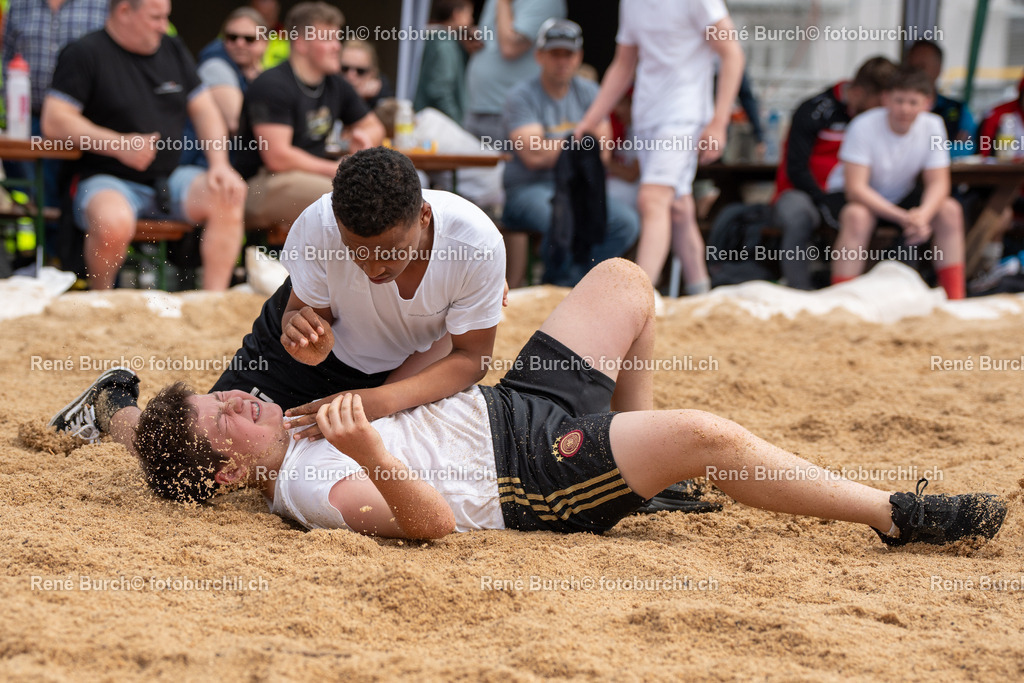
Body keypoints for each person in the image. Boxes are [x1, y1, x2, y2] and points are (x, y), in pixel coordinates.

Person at [55, 259, 1007, 549]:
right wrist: (374, 450)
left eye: (229, 395)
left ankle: (646, 479)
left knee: (626, 282)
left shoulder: (285, 414)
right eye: (227, 415)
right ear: (231, 468)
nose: (242, 399)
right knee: (707, 435)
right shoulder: (308, 485)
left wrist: (458, 328)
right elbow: (430, 526)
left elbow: (422, 361)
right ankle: (893, 512)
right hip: (525, 476)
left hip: (512, 406)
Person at [51, 146, 506, 451]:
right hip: (293, 364)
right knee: (193, 453)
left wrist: (377, 401)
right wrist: (302, 336)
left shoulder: (475, 245)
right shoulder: (321, 224)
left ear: (423, 216)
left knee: (356, 468)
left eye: (388, 253)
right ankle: (109, 404)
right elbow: (304, 320)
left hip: (397, 372)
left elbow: (471, 358)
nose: (371, 269)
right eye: (356, 251)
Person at [40, 0, 247, 290]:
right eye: (155, 18)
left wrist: (220, 164)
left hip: (169, 178)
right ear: (125, 11)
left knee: (229, 192)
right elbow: (54, 120)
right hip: (106, 178)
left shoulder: (172, 48)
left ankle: (214, 300)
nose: (164, 26)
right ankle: (100, 299)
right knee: (113, 220)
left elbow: (204, 109)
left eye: (166, 17)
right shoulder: (84, 53)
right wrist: (117, 145)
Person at [575, 0, 745, 296]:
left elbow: (732, 53)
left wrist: (719, 122)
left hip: (684, 115)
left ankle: (638, 297)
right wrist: (590, 121)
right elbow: (624, 63)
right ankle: (701, 293)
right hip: (647, 117)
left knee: (652, 199)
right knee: (679, 208)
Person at [501, 18, 638, 286]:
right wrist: (581, 144)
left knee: (626, 223)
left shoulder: (590, 91)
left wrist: (558, 146)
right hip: (528, 190)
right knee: (564, 218)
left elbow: (603, 153)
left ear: (579, 56)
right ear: (539, 56)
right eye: (555, 53)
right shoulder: (521, 95)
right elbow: (533, 156)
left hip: (579, 190)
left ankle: (575, 283)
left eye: (569, 53)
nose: (562, 61)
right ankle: (561, 284)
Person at [236, 1, 385, 231]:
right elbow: (278, 157)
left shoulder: (335, 84)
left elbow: (374, 126)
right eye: (327, 39)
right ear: (301, 43)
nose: (337, 47)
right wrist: (338, 169)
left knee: (380, 190)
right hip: (260, 183)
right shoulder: (272, 84)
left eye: (337, 38)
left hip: (312, 177)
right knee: (350, 197)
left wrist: (364, 140)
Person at [825, 67, 965, 299]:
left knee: (950, 210)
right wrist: (904, 218)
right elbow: (856, 189)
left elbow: (939, 183)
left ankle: (955, 298)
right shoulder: (863, 125)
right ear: (886, 99)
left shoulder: (934, 125)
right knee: (857, 216)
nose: (905, 109)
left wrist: (922, 216)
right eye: (899, 101)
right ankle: (841, 299)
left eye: (913, 102)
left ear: (927, 103)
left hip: (900, 195)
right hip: (858, 197)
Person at [771, 57, 897, 290]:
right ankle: (799, 291)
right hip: (804, 192)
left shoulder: (881, 119)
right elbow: (796, 168)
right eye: (877, 105)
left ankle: (867, 289)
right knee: (799, 214)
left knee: (869, 214)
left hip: (851, 194)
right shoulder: (814, 111)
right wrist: (823, 199)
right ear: (858, 92)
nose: (881, 112)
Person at [2, 0, 107, 211]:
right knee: (36, 197)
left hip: (82, 125)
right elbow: (8, 59)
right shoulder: (20, 4)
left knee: (74, 199)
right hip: (28, 120)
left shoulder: (102, 4)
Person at [463, 0, 566, 143]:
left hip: (508, 113)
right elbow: (493, 38)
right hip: (477, 107)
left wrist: (503, 3)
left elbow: (510, 47)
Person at [179, 7, 268, 168]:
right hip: (200, 166)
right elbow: (237, 125)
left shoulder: (253, 71)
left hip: (235, 166)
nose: (239, 43)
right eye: (232, 37)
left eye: (249, 39)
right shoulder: (215, 66)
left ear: (264, 43)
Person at [904, 39, 976, 158]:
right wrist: (945, 146)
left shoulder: (958, 110)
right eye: (912, 67)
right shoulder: (894, 108)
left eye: (922, 66)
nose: (916, 73)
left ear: (938, 69)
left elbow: (967, 149)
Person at [413, 0, 474, 124]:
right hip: (439, 123)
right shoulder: (445, 45)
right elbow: (440, 90)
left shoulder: (434, 39)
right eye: (469, 14)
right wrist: (456, 121)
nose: (471, 20)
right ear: (457, 14)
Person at [339, 39, 394, 110]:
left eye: (360, 71)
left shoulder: (382, 96)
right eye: (344, 69)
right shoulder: (327, 90)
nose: (350, 76)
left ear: (373, 73)